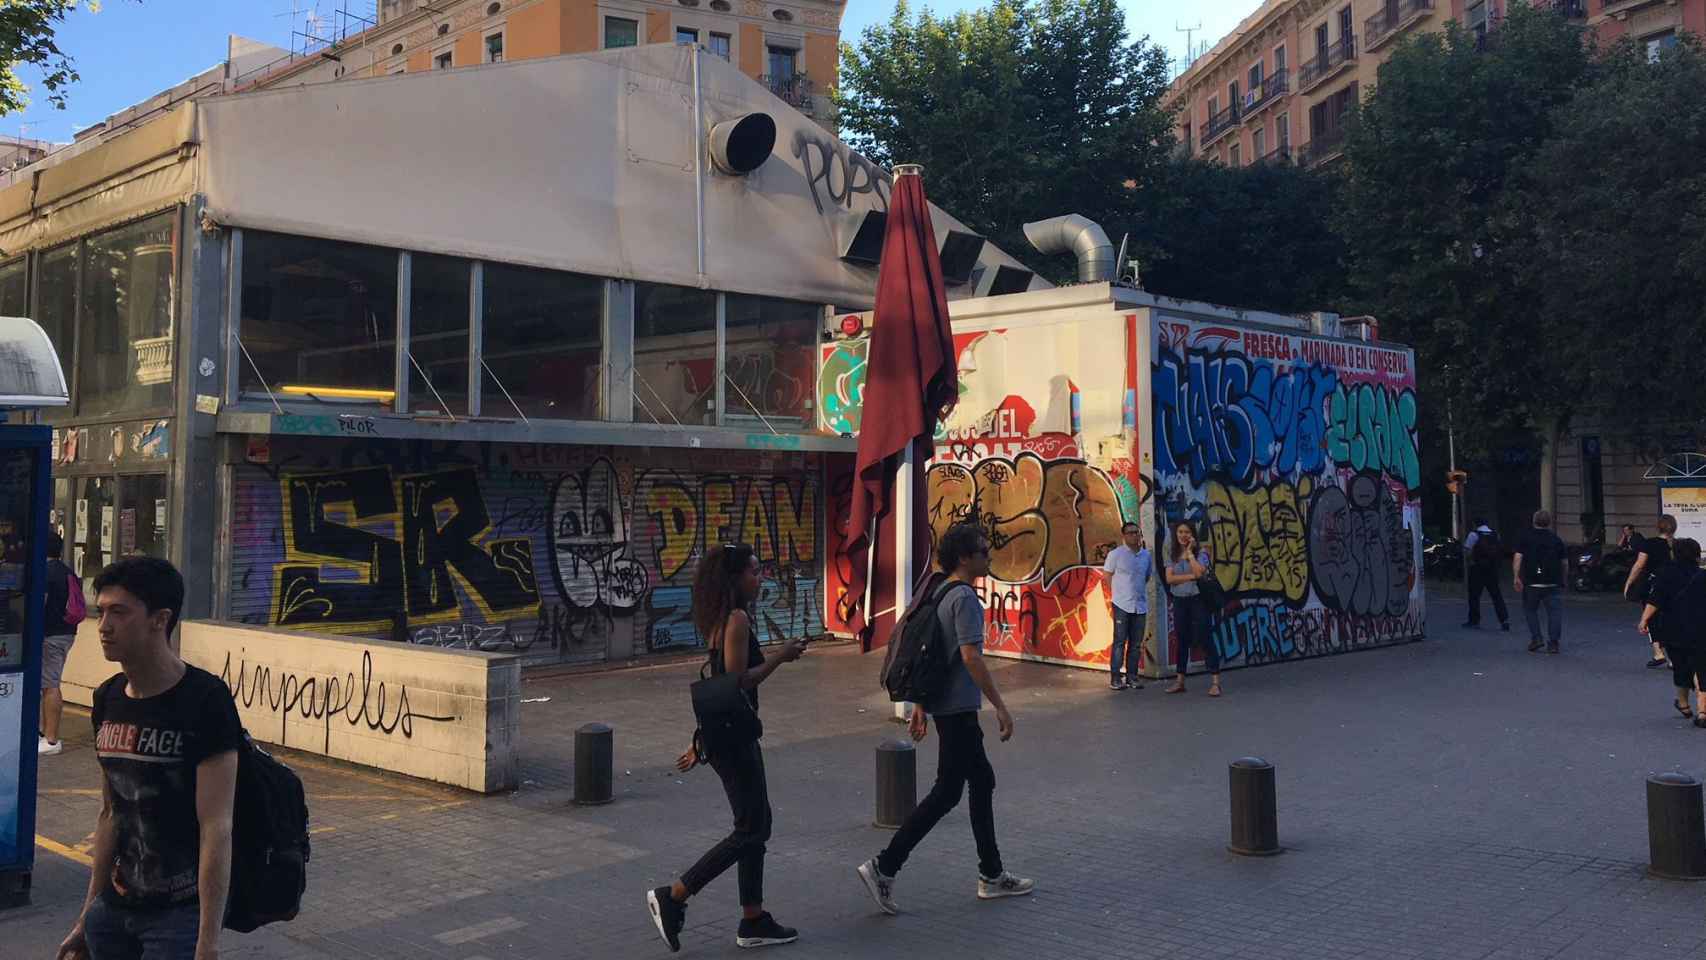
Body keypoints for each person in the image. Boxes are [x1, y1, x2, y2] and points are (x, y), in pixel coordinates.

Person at [57, 557, 242, 960]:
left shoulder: (205, 700)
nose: (103, 626)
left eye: (119, 613)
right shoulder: (107, 698)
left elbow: (217, 826)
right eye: (101, 611)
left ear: (160, 619)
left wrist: (207, 942)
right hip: (114, 911)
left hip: (178, 918)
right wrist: (88, 916)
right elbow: (110, 814)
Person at [855, 522, 1034, 916]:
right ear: (966, 558)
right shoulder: (965, 597)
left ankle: (990, 872)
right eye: (984, 552)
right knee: (949, 791)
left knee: (972, 783)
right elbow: (969, 656)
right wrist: (1001, 706)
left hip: (945, 708)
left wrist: (921, 704)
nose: (989, 557)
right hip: (957, 710)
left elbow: (929, 652)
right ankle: (886, 866)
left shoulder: (938, 589)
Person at [647, 544, 806, 952]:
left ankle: (753, 919)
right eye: (754, 572)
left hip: (728, 736)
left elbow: (716, 683)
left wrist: (699, 740)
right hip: (735, 740)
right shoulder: (735, 619)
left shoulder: (721, 618)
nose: (760, 578)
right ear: (735, 578)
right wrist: (781, 657)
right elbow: (738, 682)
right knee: (750, 829)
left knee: (757, 825)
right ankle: (675, 895)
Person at [1638, 536, 1706, 727]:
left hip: (1673, 629)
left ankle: (1684, 704)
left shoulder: (1665, 574)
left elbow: (1655, 599)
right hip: (1701, 628)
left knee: (1681, 665)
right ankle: (1703, 711)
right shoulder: (1702, 575)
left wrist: (1644, 620)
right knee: (1701, 666)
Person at [1163, 521, 1221, 696]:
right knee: (1182, 639)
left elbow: (1200, 572)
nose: (1183, 535)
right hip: (1180, 601)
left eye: (1187, 532)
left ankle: (1215, 682)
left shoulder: (1202, 552)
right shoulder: (1172, 553)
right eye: (1180, 532)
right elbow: (1169, 579)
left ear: (1192, 534)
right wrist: (1190, 577)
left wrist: (1190, 555)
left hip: (1198, 599)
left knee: (1205, 637)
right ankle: (1180, 681)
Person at [39, 532, 82, 756]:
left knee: (50, 683)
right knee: (46, 682)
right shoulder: (67, 571)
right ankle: (44, 733)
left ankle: (52, 740)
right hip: (66, 633)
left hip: (50, 635)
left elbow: (40, 605)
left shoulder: (45, 573)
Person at [1100, 521, 1153, 690]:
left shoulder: (1146, 555)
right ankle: (1116, 678)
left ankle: (1132, 676)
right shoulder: (1116, 555)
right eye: (1130, 533)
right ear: (1124, 536)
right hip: (1122, 604)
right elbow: (1107, 576)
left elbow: (1146, 576)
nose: (1134, 535)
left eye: (1136, 532)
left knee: (1136, 643)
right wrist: (1118, 592)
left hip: (1140, 605)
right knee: (1119, 642)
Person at [1513, 510, 1568, 654]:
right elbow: (1564, 562)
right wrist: (1564, 578)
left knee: (1530, 610)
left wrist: (1516, 576)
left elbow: (1518, 558)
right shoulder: (1556, 539)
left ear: (1534, 521)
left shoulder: (1526, 538)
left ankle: (1536, 638)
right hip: (1552, 581)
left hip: (1532, 581)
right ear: (1549, 522)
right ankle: (1554, 643)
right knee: (1554, 613)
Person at [1626, 515, 1676, 669]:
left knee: (1651, 618)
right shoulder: (1677, 545)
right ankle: (1673, 657)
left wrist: (1629, 582)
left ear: (1658, 527)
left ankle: (1658, 653)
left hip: (1652, 586)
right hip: (1674, 587)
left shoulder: (1649, 544)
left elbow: (1639, 565)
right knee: (1671, 620)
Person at [1462, 520, 1510, 631]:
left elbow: (1467, 551)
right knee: (1496, 595)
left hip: (1477, 569)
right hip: (1492, 569)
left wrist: (1470, 561)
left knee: (1474, 596)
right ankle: (1504, 620)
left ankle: (1474, 621)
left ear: (1475, 524)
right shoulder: (1495, 534)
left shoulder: (1473, 534)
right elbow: (1499, 550)